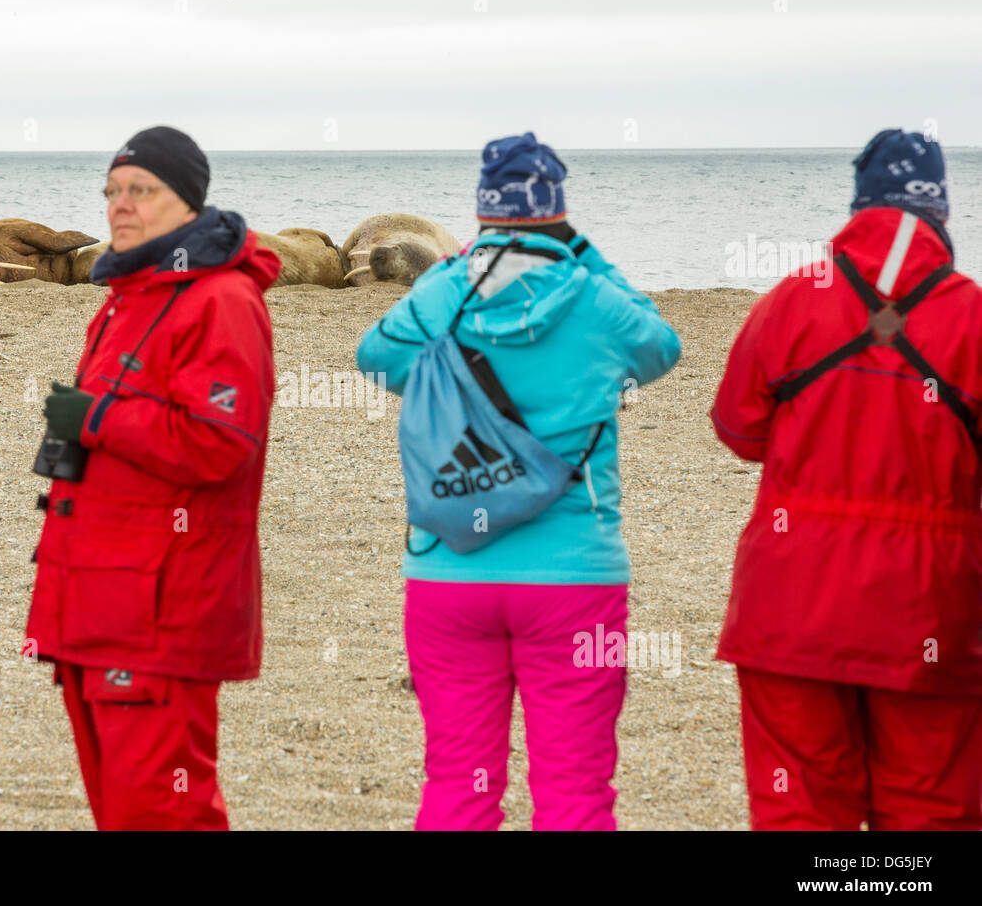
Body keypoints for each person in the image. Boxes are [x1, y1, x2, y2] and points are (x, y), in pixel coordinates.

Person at [356, 132, 681, 830]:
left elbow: (376, 360)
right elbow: (662, 347)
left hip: (449, 573)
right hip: (574, 577)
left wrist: (446, 289)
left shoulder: (444, 288)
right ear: (557, 210)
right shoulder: (593, 296)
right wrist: (588, 255)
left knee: (457, 786)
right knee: (575, 791)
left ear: (483, 209)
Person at [711, 129, 982, 830]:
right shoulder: (972, 316)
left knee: (799, 803)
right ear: (942, 212)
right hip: (929, 602)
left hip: (791, 598)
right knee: (931, 806)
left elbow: (739, 429)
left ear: (860, 202)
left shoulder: (792, 299)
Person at [25, 126, 279, 830]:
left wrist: (97, 418)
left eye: (142, 189)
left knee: (163, 809)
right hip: (99, 603)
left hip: (162, 609)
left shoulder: (221, 300)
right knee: (121, 809)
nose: (121, 205)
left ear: (188, 202)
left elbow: (219, 441)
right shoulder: (129, 294)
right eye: (112, 190)